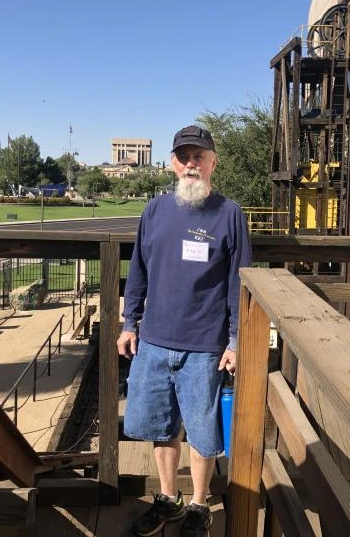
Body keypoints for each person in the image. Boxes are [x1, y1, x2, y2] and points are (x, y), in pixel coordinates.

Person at [117, 125, 252, 536]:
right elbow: (137, 270)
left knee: (202, 430)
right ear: (174, 163)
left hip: (205, 345)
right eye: (184, 156)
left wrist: (235, 341)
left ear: (213, 162)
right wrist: (129, 323)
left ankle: (198, 505)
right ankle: (167, 499)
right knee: (160, 427)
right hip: (154, 339)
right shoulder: (155, 210)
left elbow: (238, 282)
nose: (191, 164)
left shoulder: (230, 214)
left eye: (199, 156)